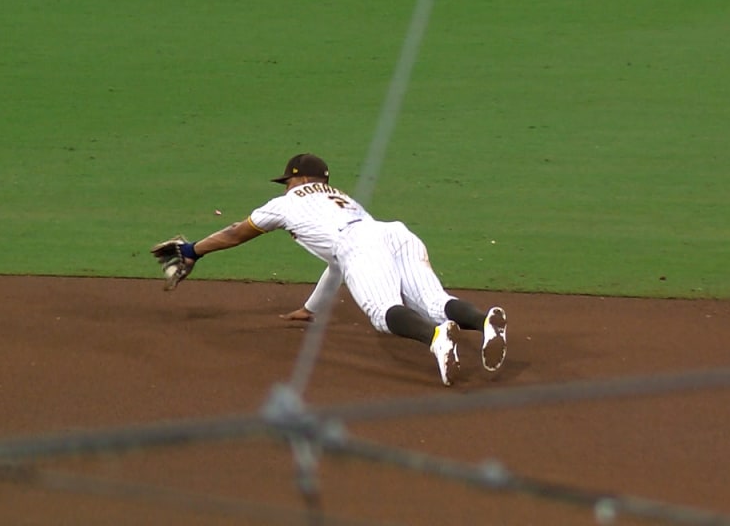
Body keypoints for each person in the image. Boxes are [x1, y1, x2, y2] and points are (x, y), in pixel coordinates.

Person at [167, 153, 507, 386]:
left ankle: (436, 337)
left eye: (287, 180)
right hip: (394, 232)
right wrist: (309, 308)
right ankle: (483, 321)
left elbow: (235, 232)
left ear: (296, 180)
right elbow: (338, 265)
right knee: (434, 301)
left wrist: (191, 250)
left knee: (383, 311)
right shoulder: (341, 198)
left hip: (358, 243)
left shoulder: (286, 203)